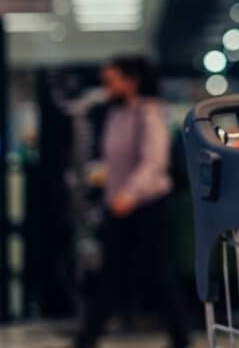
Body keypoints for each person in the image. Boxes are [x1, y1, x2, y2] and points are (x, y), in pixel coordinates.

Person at [76, 55, 188, 348]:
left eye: (110, 80)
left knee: (157, 275)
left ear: (131, 80)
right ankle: (86, 339)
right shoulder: (115, 114)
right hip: (119, 205)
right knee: (110, 276)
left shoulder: (150, 112)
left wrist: (130, 194)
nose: (105, 87)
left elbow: (154, 161)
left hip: (148, 205)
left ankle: (181, 338)